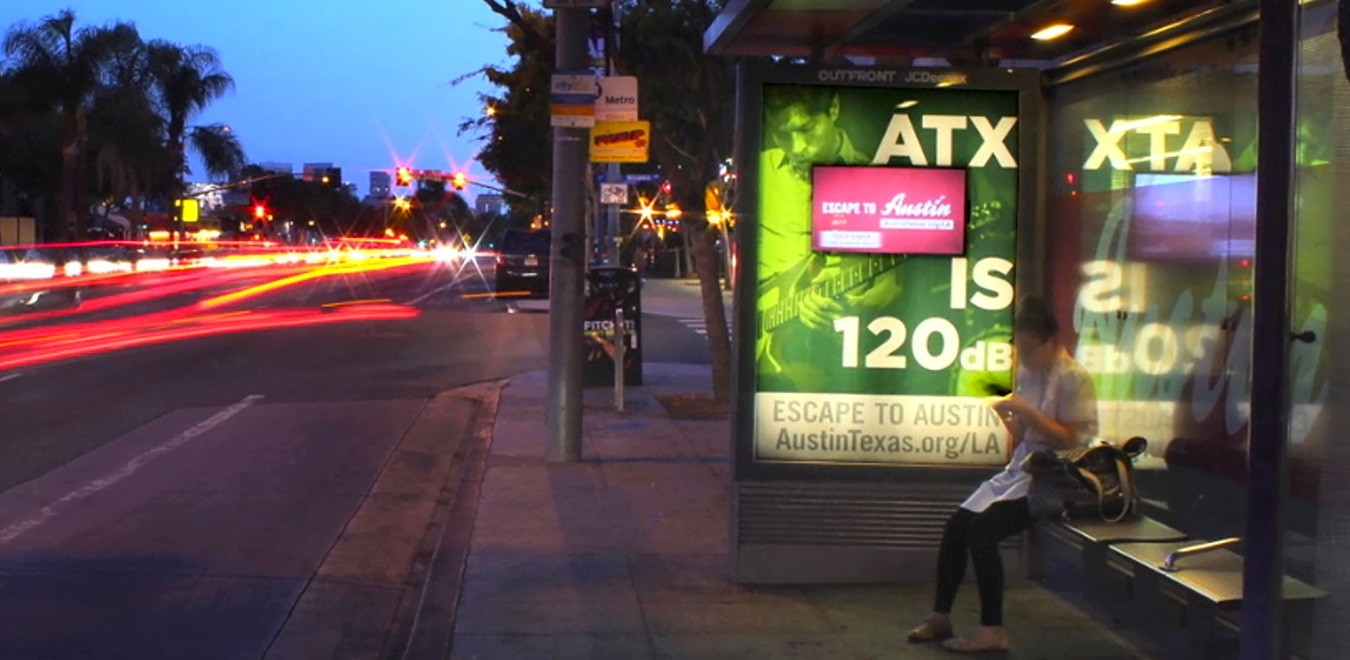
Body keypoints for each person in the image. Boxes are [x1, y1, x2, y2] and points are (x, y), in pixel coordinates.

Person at [906, 294, 1099, 653]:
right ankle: (940, 615)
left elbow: (1072, 439)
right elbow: (1025, 438)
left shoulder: (1074, 379)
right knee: (957, 525)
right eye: (1019, 349)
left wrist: (1028, 411)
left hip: (1058, 477)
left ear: (1048, 342)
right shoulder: (1028, 372)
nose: (1022, 358)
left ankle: (991, 627)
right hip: (1024, 467)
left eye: (1028, 349)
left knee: (983, 532)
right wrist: (1010, 418)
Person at [756, 85, 904, 390]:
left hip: (827, 353)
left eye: (806, 129)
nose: (797, 147)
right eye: (783, 135)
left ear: (833, 110)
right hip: (764, 340)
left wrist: (856, 302)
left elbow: (890, 286)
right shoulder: (763, 170)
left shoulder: (875, 180)